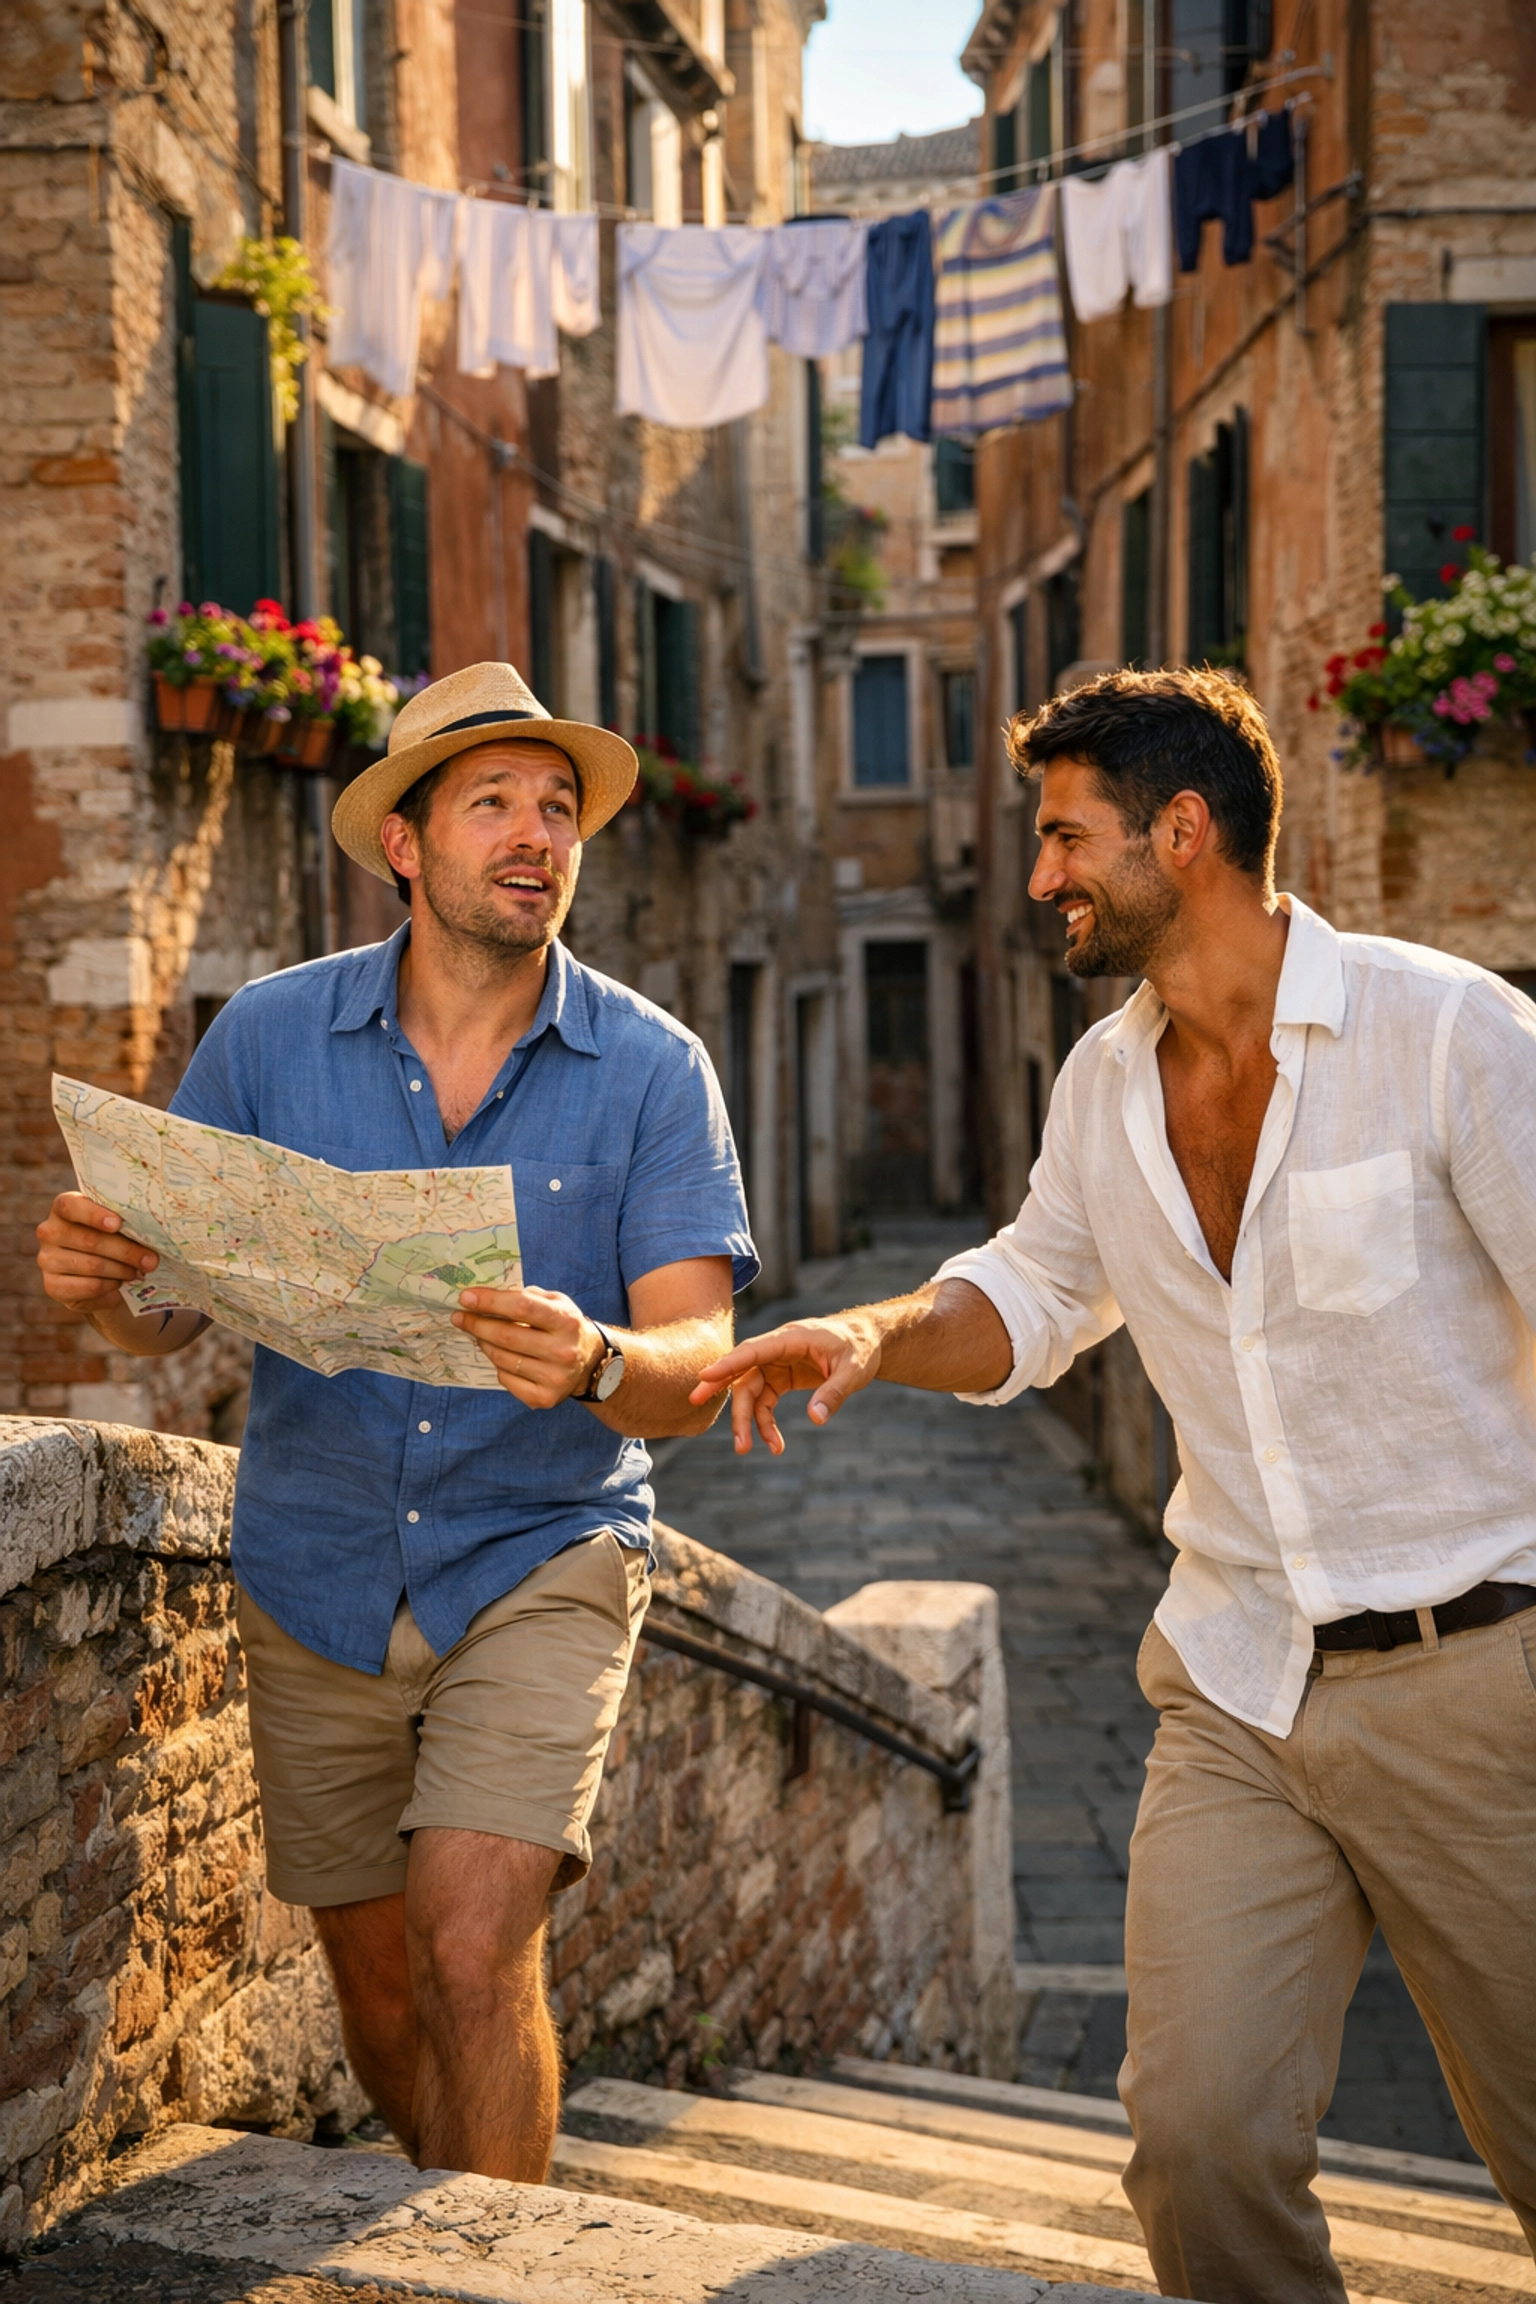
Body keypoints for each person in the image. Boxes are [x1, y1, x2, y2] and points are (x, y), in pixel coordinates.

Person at [691, 666, 1536, 2304]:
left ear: (1187, 832)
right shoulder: (1100, 1088)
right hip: (1237, 1693)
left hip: (1481, 1675)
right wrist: (867, 1331)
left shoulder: (1450, 1037)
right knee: (1197, 2141)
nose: (1038, 878)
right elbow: (1027, 1297)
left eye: (1068, 838)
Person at [37, 660, 756, 2185]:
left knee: (474, 1939)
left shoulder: (653, 1069)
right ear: (405, 847)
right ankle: (452, 2224)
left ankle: (493, 2276)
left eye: (558, 806)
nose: (536, 831)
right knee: (378, 1986)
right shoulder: (267, 1043)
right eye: (492, 799)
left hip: (544, 1551)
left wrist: (596, 1355)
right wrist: (107, 1288)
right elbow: (169, 1309)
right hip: (316, 1564)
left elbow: (701, 1359)